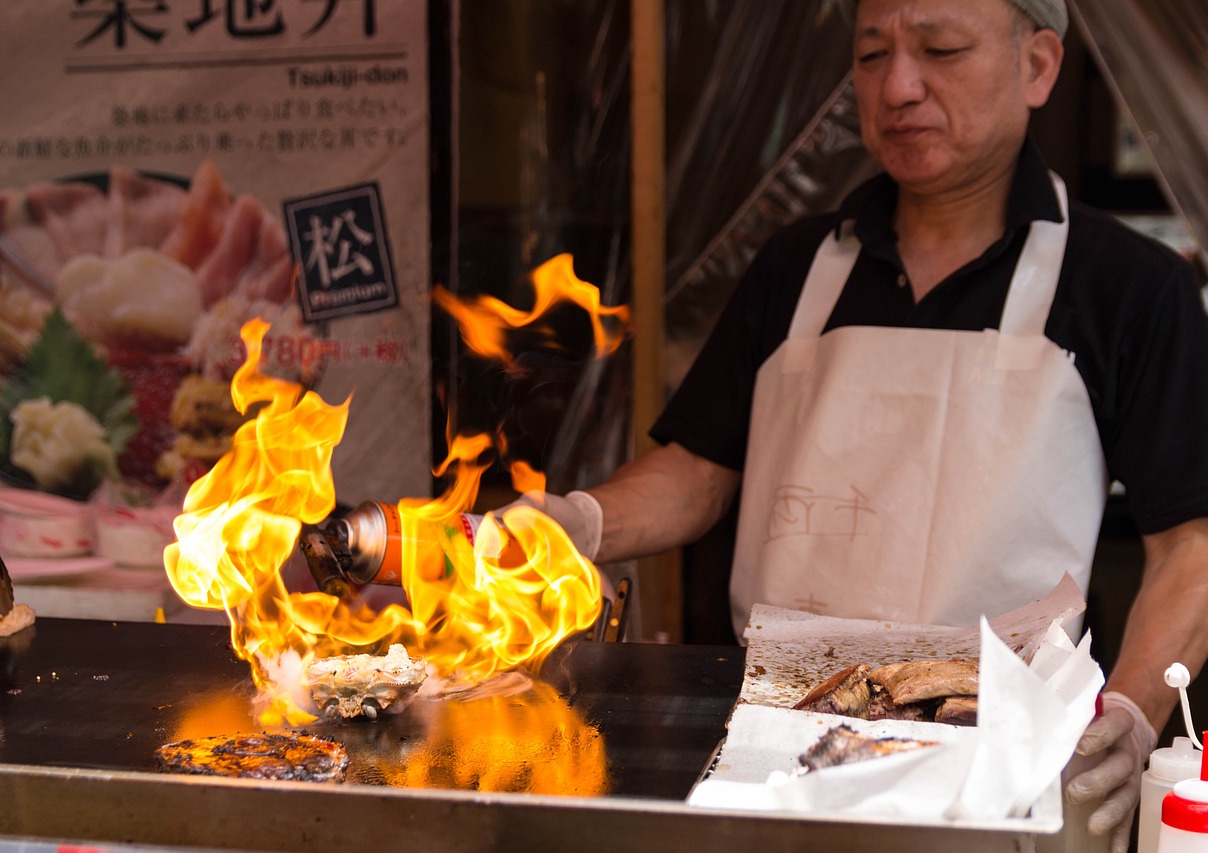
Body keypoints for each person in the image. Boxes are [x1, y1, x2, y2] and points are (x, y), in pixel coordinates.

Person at [514, 0, 1208, 849]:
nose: (899, 86)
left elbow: (1190, 544)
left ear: (1038, 67)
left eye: (941, 49)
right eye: (872, 54)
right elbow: (697, 469)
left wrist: (1133, 708)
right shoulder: (798, 265)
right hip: (778, 749)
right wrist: (579, 521)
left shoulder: (1128, 286)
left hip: (1006, 764)